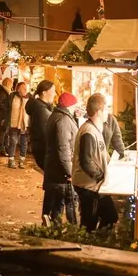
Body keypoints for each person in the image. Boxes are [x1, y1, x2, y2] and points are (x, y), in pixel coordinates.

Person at [72, 93, 119, 230]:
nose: (108, 114)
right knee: (90, 222)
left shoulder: (92, 129)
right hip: (89, 185)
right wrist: (100, 176)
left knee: (108, 216)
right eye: (106, 110)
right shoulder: (89, 131)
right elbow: (86, 161)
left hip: (93, 185)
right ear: (99, 112)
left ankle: (96, 241)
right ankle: (90, 244)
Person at [43, 91, 79, 225]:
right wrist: (69, 171)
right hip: (60, 172)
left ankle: (52, 228)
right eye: (75, 105)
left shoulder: (56, 116)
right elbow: (63, 148)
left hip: (53, 168)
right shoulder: (64, 120)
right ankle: (71, 232)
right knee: (65, 203)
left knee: (55, 203)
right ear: (70, 105)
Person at [27, 80, 56, 171]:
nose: (54, 94)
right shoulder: (42, 110)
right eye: (52, 91)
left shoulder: (40, 107)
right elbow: (44, 133)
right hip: (43, 149)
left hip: (38, 146)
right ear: (44, 93)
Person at [7, 80, 30, 169]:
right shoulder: (12, 97)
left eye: (25, 88)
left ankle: (21, 161)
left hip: (25, 123)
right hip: (14, 123)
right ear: (18, 89)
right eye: (22, 88)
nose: (24, 90)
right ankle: (11, 159)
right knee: (13, 141)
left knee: (24, 143)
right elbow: (7, 108)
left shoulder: (29, 98)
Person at [0, 78, 13, 157]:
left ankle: (5, 149)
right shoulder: (3, 92)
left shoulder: (6, 92)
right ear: (8, 84)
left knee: (6, 133)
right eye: (11, 83)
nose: (12, 85)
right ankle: (2, 150)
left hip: (5, 115)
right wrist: (6, 109)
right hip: (3, 116)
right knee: (3, 132)